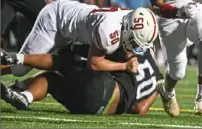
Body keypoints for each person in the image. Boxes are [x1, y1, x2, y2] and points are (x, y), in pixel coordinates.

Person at [0, 0, 158, 77]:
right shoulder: (108, 30)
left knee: (66, 68)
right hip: (56, 22)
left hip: (75, 30)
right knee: (19, 69)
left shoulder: (128, 19)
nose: (136, 47)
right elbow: (94, 64)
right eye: (135, 41)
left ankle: (23, 90)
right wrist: (124, 66)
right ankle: (14, 59)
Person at [1, 44, 162, 115]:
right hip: (99, 111)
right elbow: (141, 109)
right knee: (52, 81)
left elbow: (97, 60)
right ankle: (23, 96)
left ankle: (16, 59)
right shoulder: (158, 79)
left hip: (106, 86)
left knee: (61, 61)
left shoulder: (134, 52)